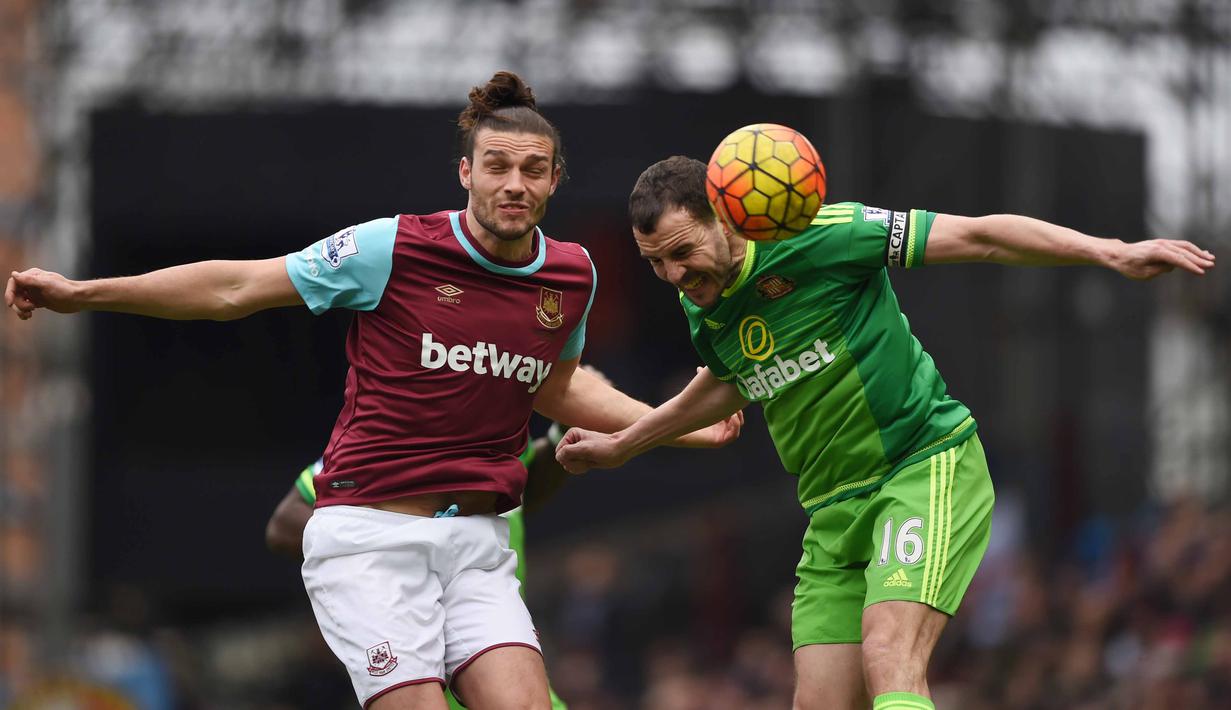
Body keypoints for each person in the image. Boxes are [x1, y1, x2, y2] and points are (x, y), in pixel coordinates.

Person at [5, 76, 742, 710]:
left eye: (532, 168)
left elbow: (556, 389)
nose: (513, 183)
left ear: (555, 180)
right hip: (369, 540)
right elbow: (235, 287)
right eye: (496, 166)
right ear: (465, 173)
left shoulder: (571, 275)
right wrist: (84, 292)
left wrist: (673, 425)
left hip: (476, 544)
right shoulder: (391, 247)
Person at [555, 155, 1215, 710]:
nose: (673, 275)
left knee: (889, 655)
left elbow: (980, 235)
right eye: (653, 264)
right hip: (832, 513)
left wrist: (1107, 251)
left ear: (725, 216)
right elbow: (727, 379)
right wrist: (623, 443)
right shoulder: (701, 303)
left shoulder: (827, 234)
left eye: (679, 252)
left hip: (920, 467)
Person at [267, 422, 577, 710]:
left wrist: (563, 431)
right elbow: (283, 525)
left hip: (504, 673)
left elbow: (521, 493)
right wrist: (389, 549)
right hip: (428, 684)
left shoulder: (502, 429)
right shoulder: (395, 439)